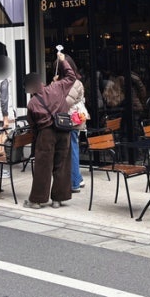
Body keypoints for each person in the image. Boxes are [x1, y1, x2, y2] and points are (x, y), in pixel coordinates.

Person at [24, 52, 76, 209]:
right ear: (40, 82)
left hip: (45, 133)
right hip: (64, 129)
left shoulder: (32, 103)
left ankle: (37, 200)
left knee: (43, 167)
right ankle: (58, 199)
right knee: (62, 164)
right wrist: (63, 61)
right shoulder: (57, 87)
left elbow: (33, 126)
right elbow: (71, 76)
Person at [60, 55, 87, 193]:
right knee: (72, 149)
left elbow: (66, 102)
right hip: (73, 119)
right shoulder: (72, 82)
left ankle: (74, 182)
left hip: (71, 120)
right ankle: (78, 178)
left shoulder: (74, 83)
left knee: (72, 150)